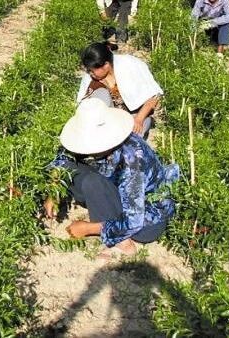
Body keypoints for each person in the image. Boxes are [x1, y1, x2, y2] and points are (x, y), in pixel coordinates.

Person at [43, 98, 179, 258]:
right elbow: (62, 158)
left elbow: (133, 220)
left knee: (92, 183)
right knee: (71, 169)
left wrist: (88, 228)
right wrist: (54, 190)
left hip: (147, 217)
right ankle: (104, 208)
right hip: (117, 188)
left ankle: (123, 245)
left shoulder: (132, 161)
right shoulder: (97, 143)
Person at [77, 42, 163, 140]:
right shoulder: (90, 79)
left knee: (133, 139)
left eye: (92, 70)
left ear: (106, 65)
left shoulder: (130, 65)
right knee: (101, 94)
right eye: (88, 70)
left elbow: (153, 98)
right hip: (107, 122)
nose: (90, 73)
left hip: (134, 116)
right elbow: (85, 106)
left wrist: (139, 119)